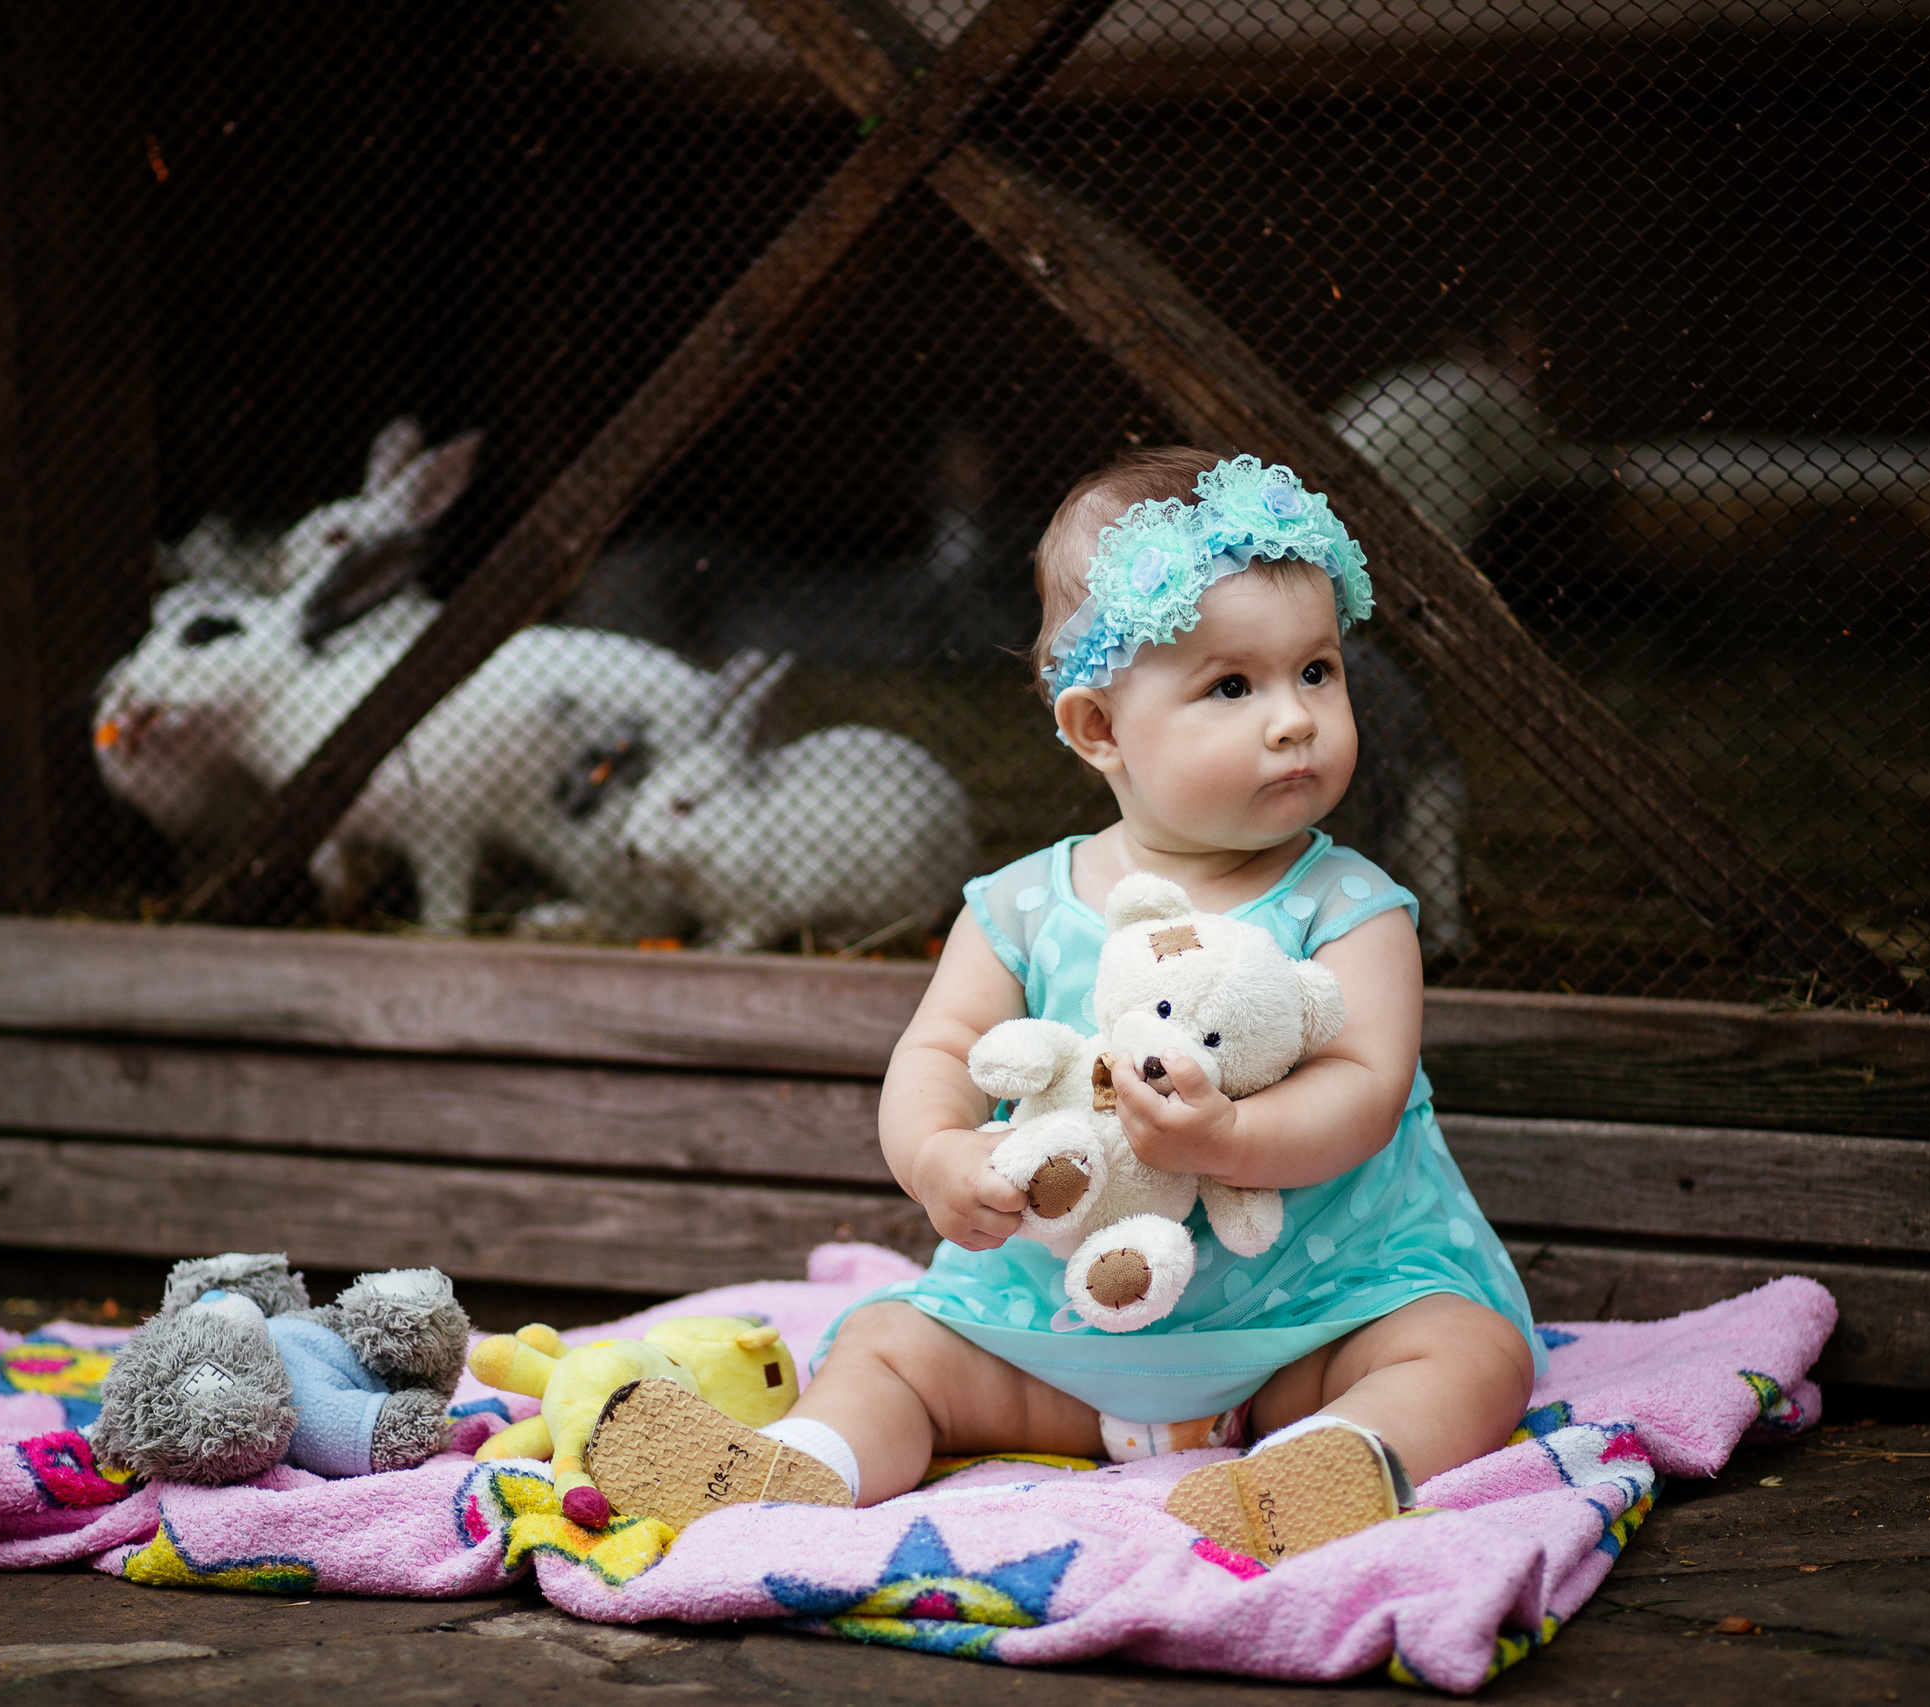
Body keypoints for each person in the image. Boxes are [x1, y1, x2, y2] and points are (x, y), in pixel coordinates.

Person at [584, 448, 1539, 1564]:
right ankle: (795, 1467)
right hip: (1054, 1332)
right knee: (887, 1345)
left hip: (1310, 1321)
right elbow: (938, 1052)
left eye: (1317, 671)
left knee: (1469, 1353)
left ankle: (1328, 1462)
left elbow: (1367, 1087)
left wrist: (1229, 1137)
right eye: (1233, 687)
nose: (1295, 719)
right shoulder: (1023, 904)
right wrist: (939, 1158)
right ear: (1098, 730)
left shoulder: (1348, 903)